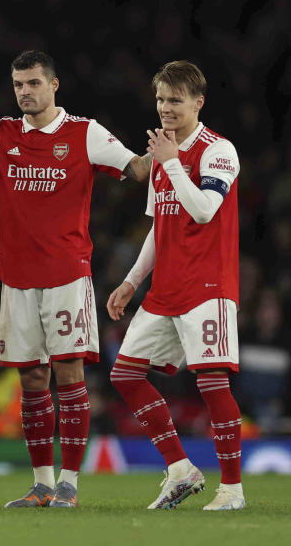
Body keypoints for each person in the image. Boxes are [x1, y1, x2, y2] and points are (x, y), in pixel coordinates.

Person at [0, 50, 151, 508]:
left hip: (66, 274)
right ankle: (42, 483)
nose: (25, 91)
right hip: (16, 278)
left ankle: (70, 484)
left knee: (69, 373)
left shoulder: (84, 133)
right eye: (19, 84)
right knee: (31, 380)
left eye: (33, 83)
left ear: (54, 85)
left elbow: (135, 168)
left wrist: (164, 152)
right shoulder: (2, 132)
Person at [106, 60, 244, 511]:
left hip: (208, 286)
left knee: (212, 383)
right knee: (125, 373)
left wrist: (172, 162)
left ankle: (232, 490)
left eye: (175, 100)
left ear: (198, 102)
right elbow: (157, 228)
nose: (165, 108)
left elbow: (204, 210)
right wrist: (130, 282)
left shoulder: (218, 149)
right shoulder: (164, 154)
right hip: (164, 289)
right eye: (161, 99)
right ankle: (180, 470)